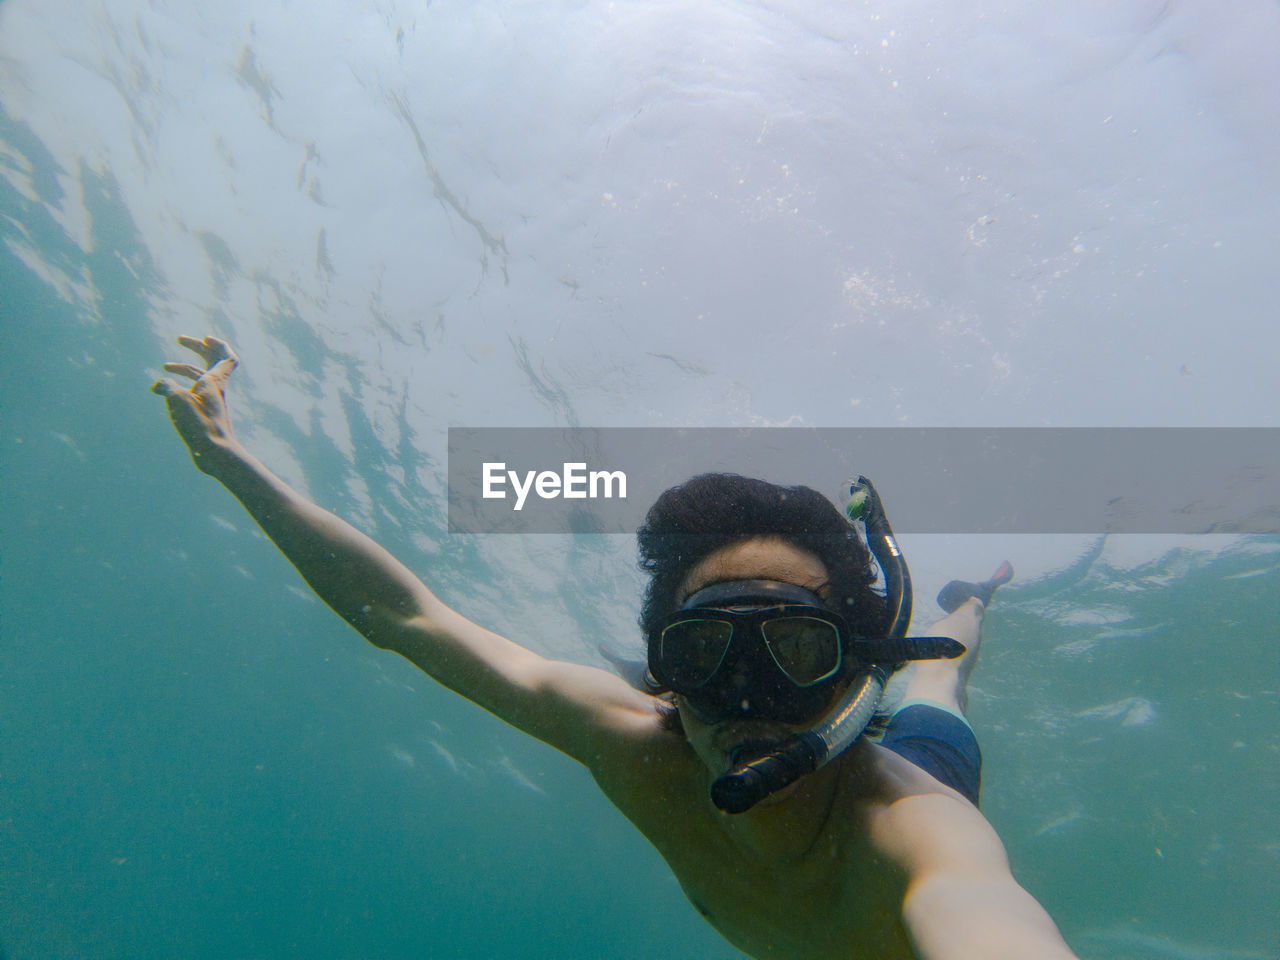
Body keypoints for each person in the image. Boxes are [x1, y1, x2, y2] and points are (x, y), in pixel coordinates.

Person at [153, 335, 1080, 960]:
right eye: (708, 650)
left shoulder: (919, 830)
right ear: (664, 671)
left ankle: (966, 606)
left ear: (847, 665)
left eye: (795, 646)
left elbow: (993, 924)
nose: (748, 695)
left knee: (938, 680)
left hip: (915, 758)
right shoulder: (630, 742)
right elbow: (410, 621)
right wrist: (231, 464)